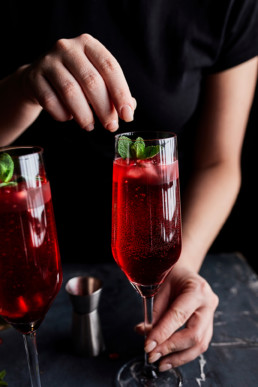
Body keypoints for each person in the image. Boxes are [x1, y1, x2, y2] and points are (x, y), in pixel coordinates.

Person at [0, 0, 257, 372]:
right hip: (36, 257)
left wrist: (181, 265)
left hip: (153, 245)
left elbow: (220, 162)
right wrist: (23, 88)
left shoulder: (232, 7)